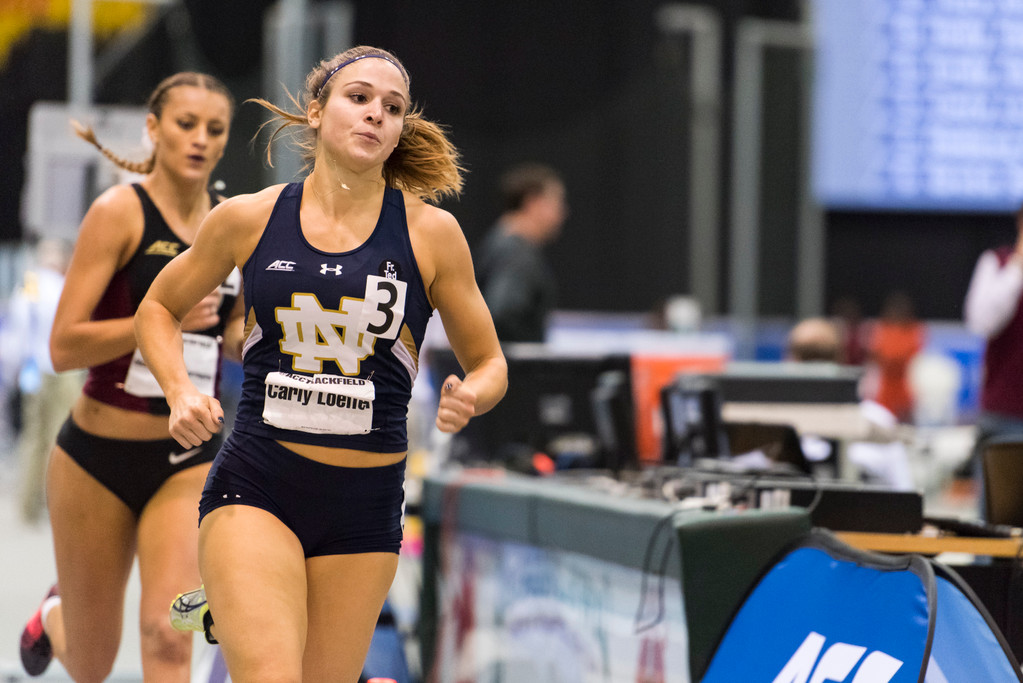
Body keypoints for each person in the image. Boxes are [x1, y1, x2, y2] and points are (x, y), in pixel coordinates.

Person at [134, 45, 508, 682]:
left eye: (392, 108)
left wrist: (471, 394)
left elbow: (492, 363)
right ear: (316, 111)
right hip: (258, 485)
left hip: (365, 504)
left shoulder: (431, 233)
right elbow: (157, 309)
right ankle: (241, 596)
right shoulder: (248, 218)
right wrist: (179, 392)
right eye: (358, 98)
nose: (375, 116)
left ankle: (235, 610)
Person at [18, 71, 242, 681]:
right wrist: (154, 321)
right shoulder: (121, 211)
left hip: (187, 460)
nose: (199, 139)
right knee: (91, 661)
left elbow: (237, 335)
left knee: (170, 637)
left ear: (225, 142)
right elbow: (63, 347)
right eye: (185, 124)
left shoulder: (233, 224)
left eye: (214, 129)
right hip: (96, 459)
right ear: (153, 129)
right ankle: (56, 618)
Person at [1, 238, 84, 524]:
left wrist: (16, 368)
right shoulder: (64, 286)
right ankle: (54, 503)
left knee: (32, 438)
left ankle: (28, 505)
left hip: (35, 369)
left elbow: (20, 324)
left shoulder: (32, 283)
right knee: (58, 438)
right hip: (64, 370)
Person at [963, 206, 1023, 503]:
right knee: (996, 526)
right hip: (1004, 417)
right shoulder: (996, 264)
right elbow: (982, 322)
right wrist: (1017, 268)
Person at [475, 162, 567, 343]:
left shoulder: (497, 243)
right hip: (511, 368)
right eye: (557, 202)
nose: (563, 213)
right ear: (533, 203)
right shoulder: (517, 255)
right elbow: (501, 314)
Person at [866, 291, 925, 423]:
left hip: (903, 388)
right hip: (885, 389)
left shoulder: (914, 330)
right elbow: (876, 355)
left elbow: (903, 356)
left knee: (904, 425)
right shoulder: (881, 329)